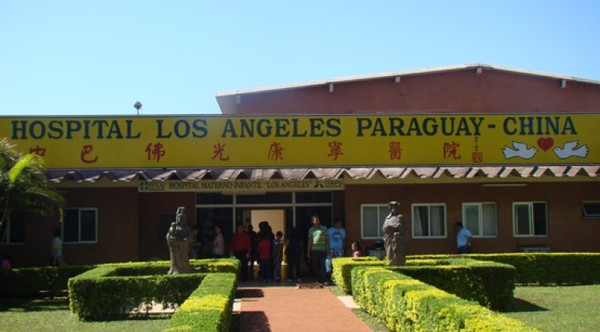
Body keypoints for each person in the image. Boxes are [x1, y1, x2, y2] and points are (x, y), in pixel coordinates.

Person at [382, 201, 407, 266]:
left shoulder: (400, 217)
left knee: (397, 255)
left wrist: (397, 232)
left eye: (395, 207)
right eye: (392, 207)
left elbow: (402, 229)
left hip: (396, 240)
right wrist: (388, 227)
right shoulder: (388, 218)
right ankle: (390, 264)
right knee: (389, 253)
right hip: (388, 239)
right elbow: (384, 228)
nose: (393, 209)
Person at [307, 215, 329, 285]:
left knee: (322, 265)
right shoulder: (311, 230)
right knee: (316, 266)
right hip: (314, 250)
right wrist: (308, 251)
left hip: (322, 250)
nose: (317, 221)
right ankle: (319, 280)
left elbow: (327, 239)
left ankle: (324, 280)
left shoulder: (324, 228)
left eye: (318, 220)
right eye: (315, 220)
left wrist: (328, 249)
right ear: (313, 222)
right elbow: (310, 241)